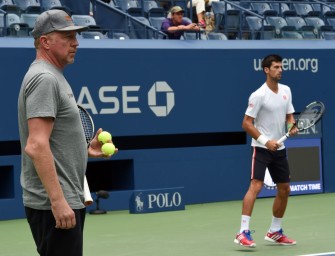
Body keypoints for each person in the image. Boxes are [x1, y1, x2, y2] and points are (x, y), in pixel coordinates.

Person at [17, 10, 117, 256]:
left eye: (75, 36)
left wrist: (83, 149)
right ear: (45, 41)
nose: (76, 43)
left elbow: (51, 139)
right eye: (67, 36)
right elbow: (36, 145)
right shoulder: (44, 79)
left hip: (66, 197)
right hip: (54, 203)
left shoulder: (53, 76)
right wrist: (58, 201)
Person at [234, 54, 298, 248]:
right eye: (276, 67)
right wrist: (265, 140)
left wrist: (291, 127)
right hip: (262, 148)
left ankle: (275, 231)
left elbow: (289, 116)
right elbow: (246, 123)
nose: (280, 70)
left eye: (281, 67)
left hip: (279, 149)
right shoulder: (258, 95)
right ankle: (242, 232)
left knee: (285, 189)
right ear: (266, 70)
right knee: (256, 185)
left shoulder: (286, 90)